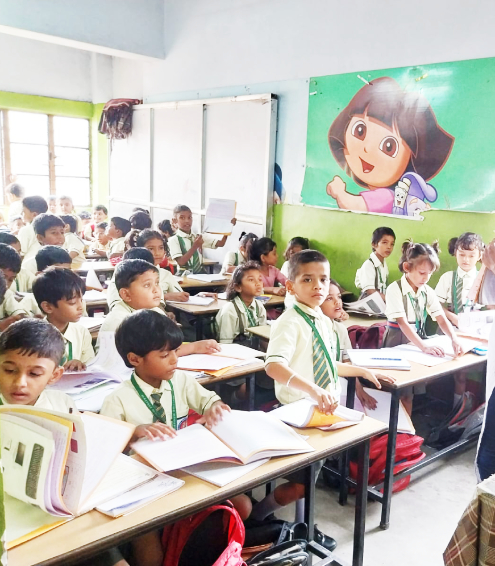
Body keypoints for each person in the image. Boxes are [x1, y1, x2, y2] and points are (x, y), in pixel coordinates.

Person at [253, 250, 392, 547]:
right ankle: (257, 517)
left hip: (321, 412)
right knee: (301, 485)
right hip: (297, 413)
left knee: (309, 481)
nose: (318, 286)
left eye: (323, 279)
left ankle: (301, 525)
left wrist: (361, 371)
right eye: (308, 279)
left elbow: (328, 364)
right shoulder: (289, 321)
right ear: (290, 286)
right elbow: (273, 366)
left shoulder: (322, 321)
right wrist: (314, 390)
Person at [101, 309, 249, 566]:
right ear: (135, 359)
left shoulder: (180, 381)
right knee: (150, 554)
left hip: (185, 468)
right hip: (145, 481)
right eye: (164, 355)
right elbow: (106, 448)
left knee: (243, 506)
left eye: (175, 351)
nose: (174, 360)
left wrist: (214, 407)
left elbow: (208, 400)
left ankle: (186, 542)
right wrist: (133, 432)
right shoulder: (117, 400)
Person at [383, 241, 462, 413]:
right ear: (407, 267)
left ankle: (407, 428)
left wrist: (454, 339)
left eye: (430, 274)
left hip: (416, 340)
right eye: (421, 273)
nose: (426, 278)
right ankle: (396, 428)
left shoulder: (427, 291)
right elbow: (402, 323)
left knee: (410, 394)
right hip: (397, 339)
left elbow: (441, 319)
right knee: (400, 393)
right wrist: (424, 347)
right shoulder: (394, 289)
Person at [98, 259, 220, 358]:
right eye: (147, 285)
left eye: (157, 283)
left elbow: (167, 348)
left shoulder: (155, 311)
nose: (156, 290)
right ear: (126, 294)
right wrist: (193, 347)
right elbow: (154, 356)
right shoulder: (118, 322)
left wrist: (196, 346)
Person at [320, 279, 378, 409]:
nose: (337, 302)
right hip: (321, 387)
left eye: (339, 297)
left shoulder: (340, 329)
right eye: (329, 298)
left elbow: (347, 362)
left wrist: (359, 389)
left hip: (339, 383)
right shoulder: (313, 330)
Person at [0, 318, 71, 409]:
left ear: (54, 375)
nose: (20, 383)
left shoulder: (62, 404)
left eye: (34, 374)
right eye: (9, 370)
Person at [32, 267, 94, 371]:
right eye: (72, 303)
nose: (81, 307)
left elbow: (91, 367)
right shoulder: (34, 337)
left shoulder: (82, 333)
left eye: (81, 300)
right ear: (48, 307)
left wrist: (81, 364)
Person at [168, 204, 235, 274]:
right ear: (175, 220)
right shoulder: (174, 240)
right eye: (182, 218)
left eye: (189, 217)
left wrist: (229, 227)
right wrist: (195, 246)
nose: (187, 221)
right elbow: (181, 262)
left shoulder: (198, 237)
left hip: (200, 275)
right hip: (183, 275)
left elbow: (221, 243)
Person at [216, 261, 266, 344]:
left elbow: (263, 337)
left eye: (259, 279)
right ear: (238, 287)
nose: (258, 284)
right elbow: (225, 344)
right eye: (251, 280)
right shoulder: (230, 311)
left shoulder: (259, 306)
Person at [136, 230, 188, 302]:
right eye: (151, 249)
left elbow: (180, 296)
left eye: (161, 248)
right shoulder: (131, 273)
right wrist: (165, 296)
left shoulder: (166, 274)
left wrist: (197, 296)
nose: (157, 253)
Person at [355, 227, 396, 300]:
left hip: (380, 301)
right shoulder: (369, 265)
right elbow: (370, 291)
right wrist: (389, 300)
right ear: (374, 244)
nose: (389, 247)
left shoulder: (383, 265)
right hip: (369, 303)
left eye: (392, 244)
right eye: (384, 242)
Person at [0, 244, 28, 330]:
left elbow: (19, 314)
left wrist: (28, 321)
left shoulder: (6, 294)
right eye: (3, 277)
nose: (6, 284)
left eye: (11, 279)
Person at [18, 195, 48, 260]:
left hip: (28, 264)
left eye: (23, 211)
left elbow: (20, 253)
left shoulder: (25, 230)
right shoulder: (49, 228)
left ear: (34, 215)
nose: (21, 213)